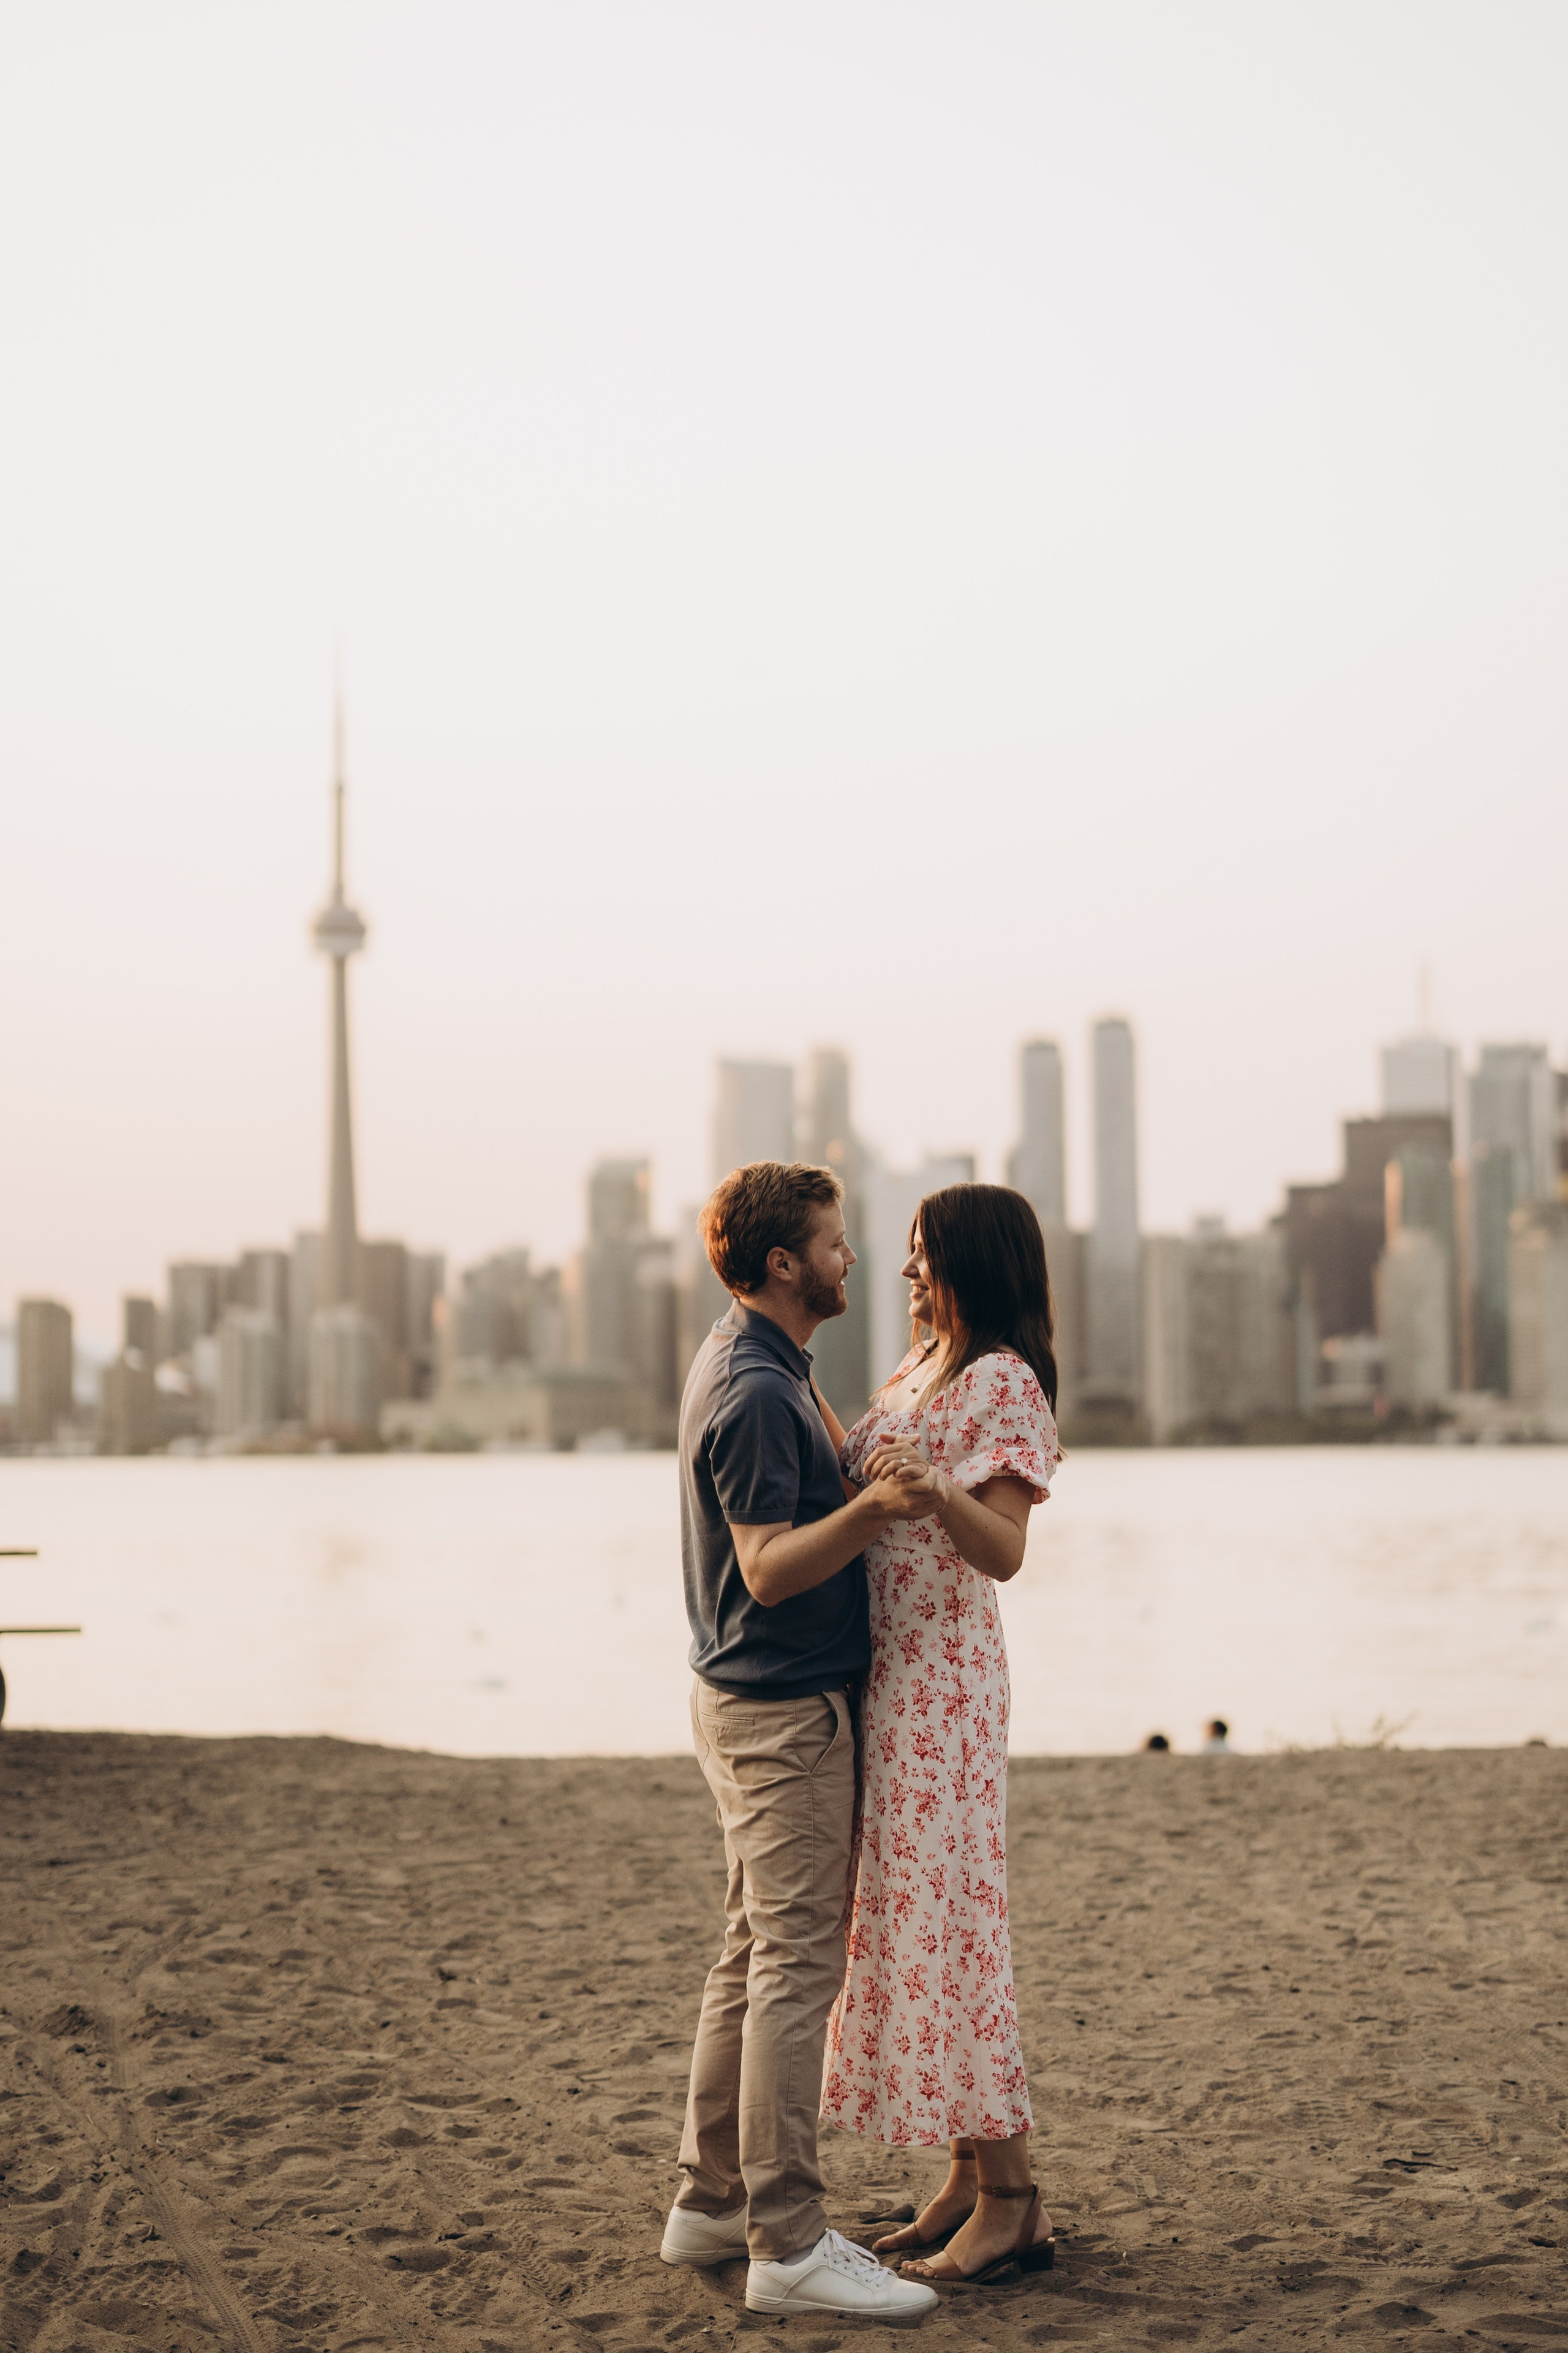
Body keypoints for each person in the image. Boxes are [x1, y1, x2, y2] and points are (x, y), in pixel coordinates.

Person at [660, 1160, 940, 2325]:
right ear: (786, 1262)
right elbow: (770, 1567)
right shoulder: (759, 1389)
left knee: (749, 1950)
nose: (852, 1258)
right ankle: (788, 2241)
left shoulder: (758, 1359)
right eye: (834, 1242)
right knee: (792, 1969)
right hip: (781, 1715)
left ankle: (709, 2199)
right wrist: (875, 1508)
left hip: (743, 1701)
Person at [818, 1182, 1061, 2289]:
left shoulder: (1001, 1380)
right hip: (893, 1678)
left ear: (973, 1261)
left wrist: (932, 1494)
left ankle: (1014, 2199)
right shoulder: (923, 1366)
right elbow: (864, 1463)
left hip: (947, 1692)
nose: (907, 1271)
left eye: (924, 1255)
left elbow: (1003, 1548)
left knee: (958, 1928)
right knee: (919, 1918)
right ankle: (966, 2175)